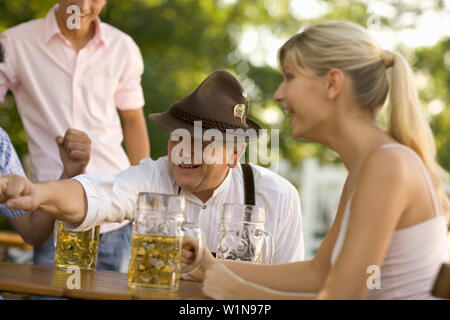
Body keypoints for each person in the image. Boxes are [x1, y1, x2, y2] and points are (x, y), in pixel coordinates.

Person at [181, 21, 450, 300]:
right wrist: (208, 265)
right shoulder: (369, 166)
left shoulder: (387, 165)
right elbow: (318, 274)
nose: (279, 94)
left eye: (290, 77)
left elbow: (341, 297)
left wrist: (238, 292)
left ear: (332, 84)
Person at [0, 70, 305, 264]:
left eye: (201, 142)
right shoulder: (154, 177)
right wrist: (37, 193)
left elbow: (290, 287)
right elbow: (97, 193)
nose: (183, 151)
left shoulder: (277, 196)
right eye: (177, 137)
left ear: (234, 153)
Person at [0, 0, 150, 273]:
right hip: (50, 211)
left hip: (114, 210)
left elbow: (132, 120)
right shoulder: (15, 43)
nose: (83, 5)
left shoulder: (122, 47)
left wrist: (144, 198)